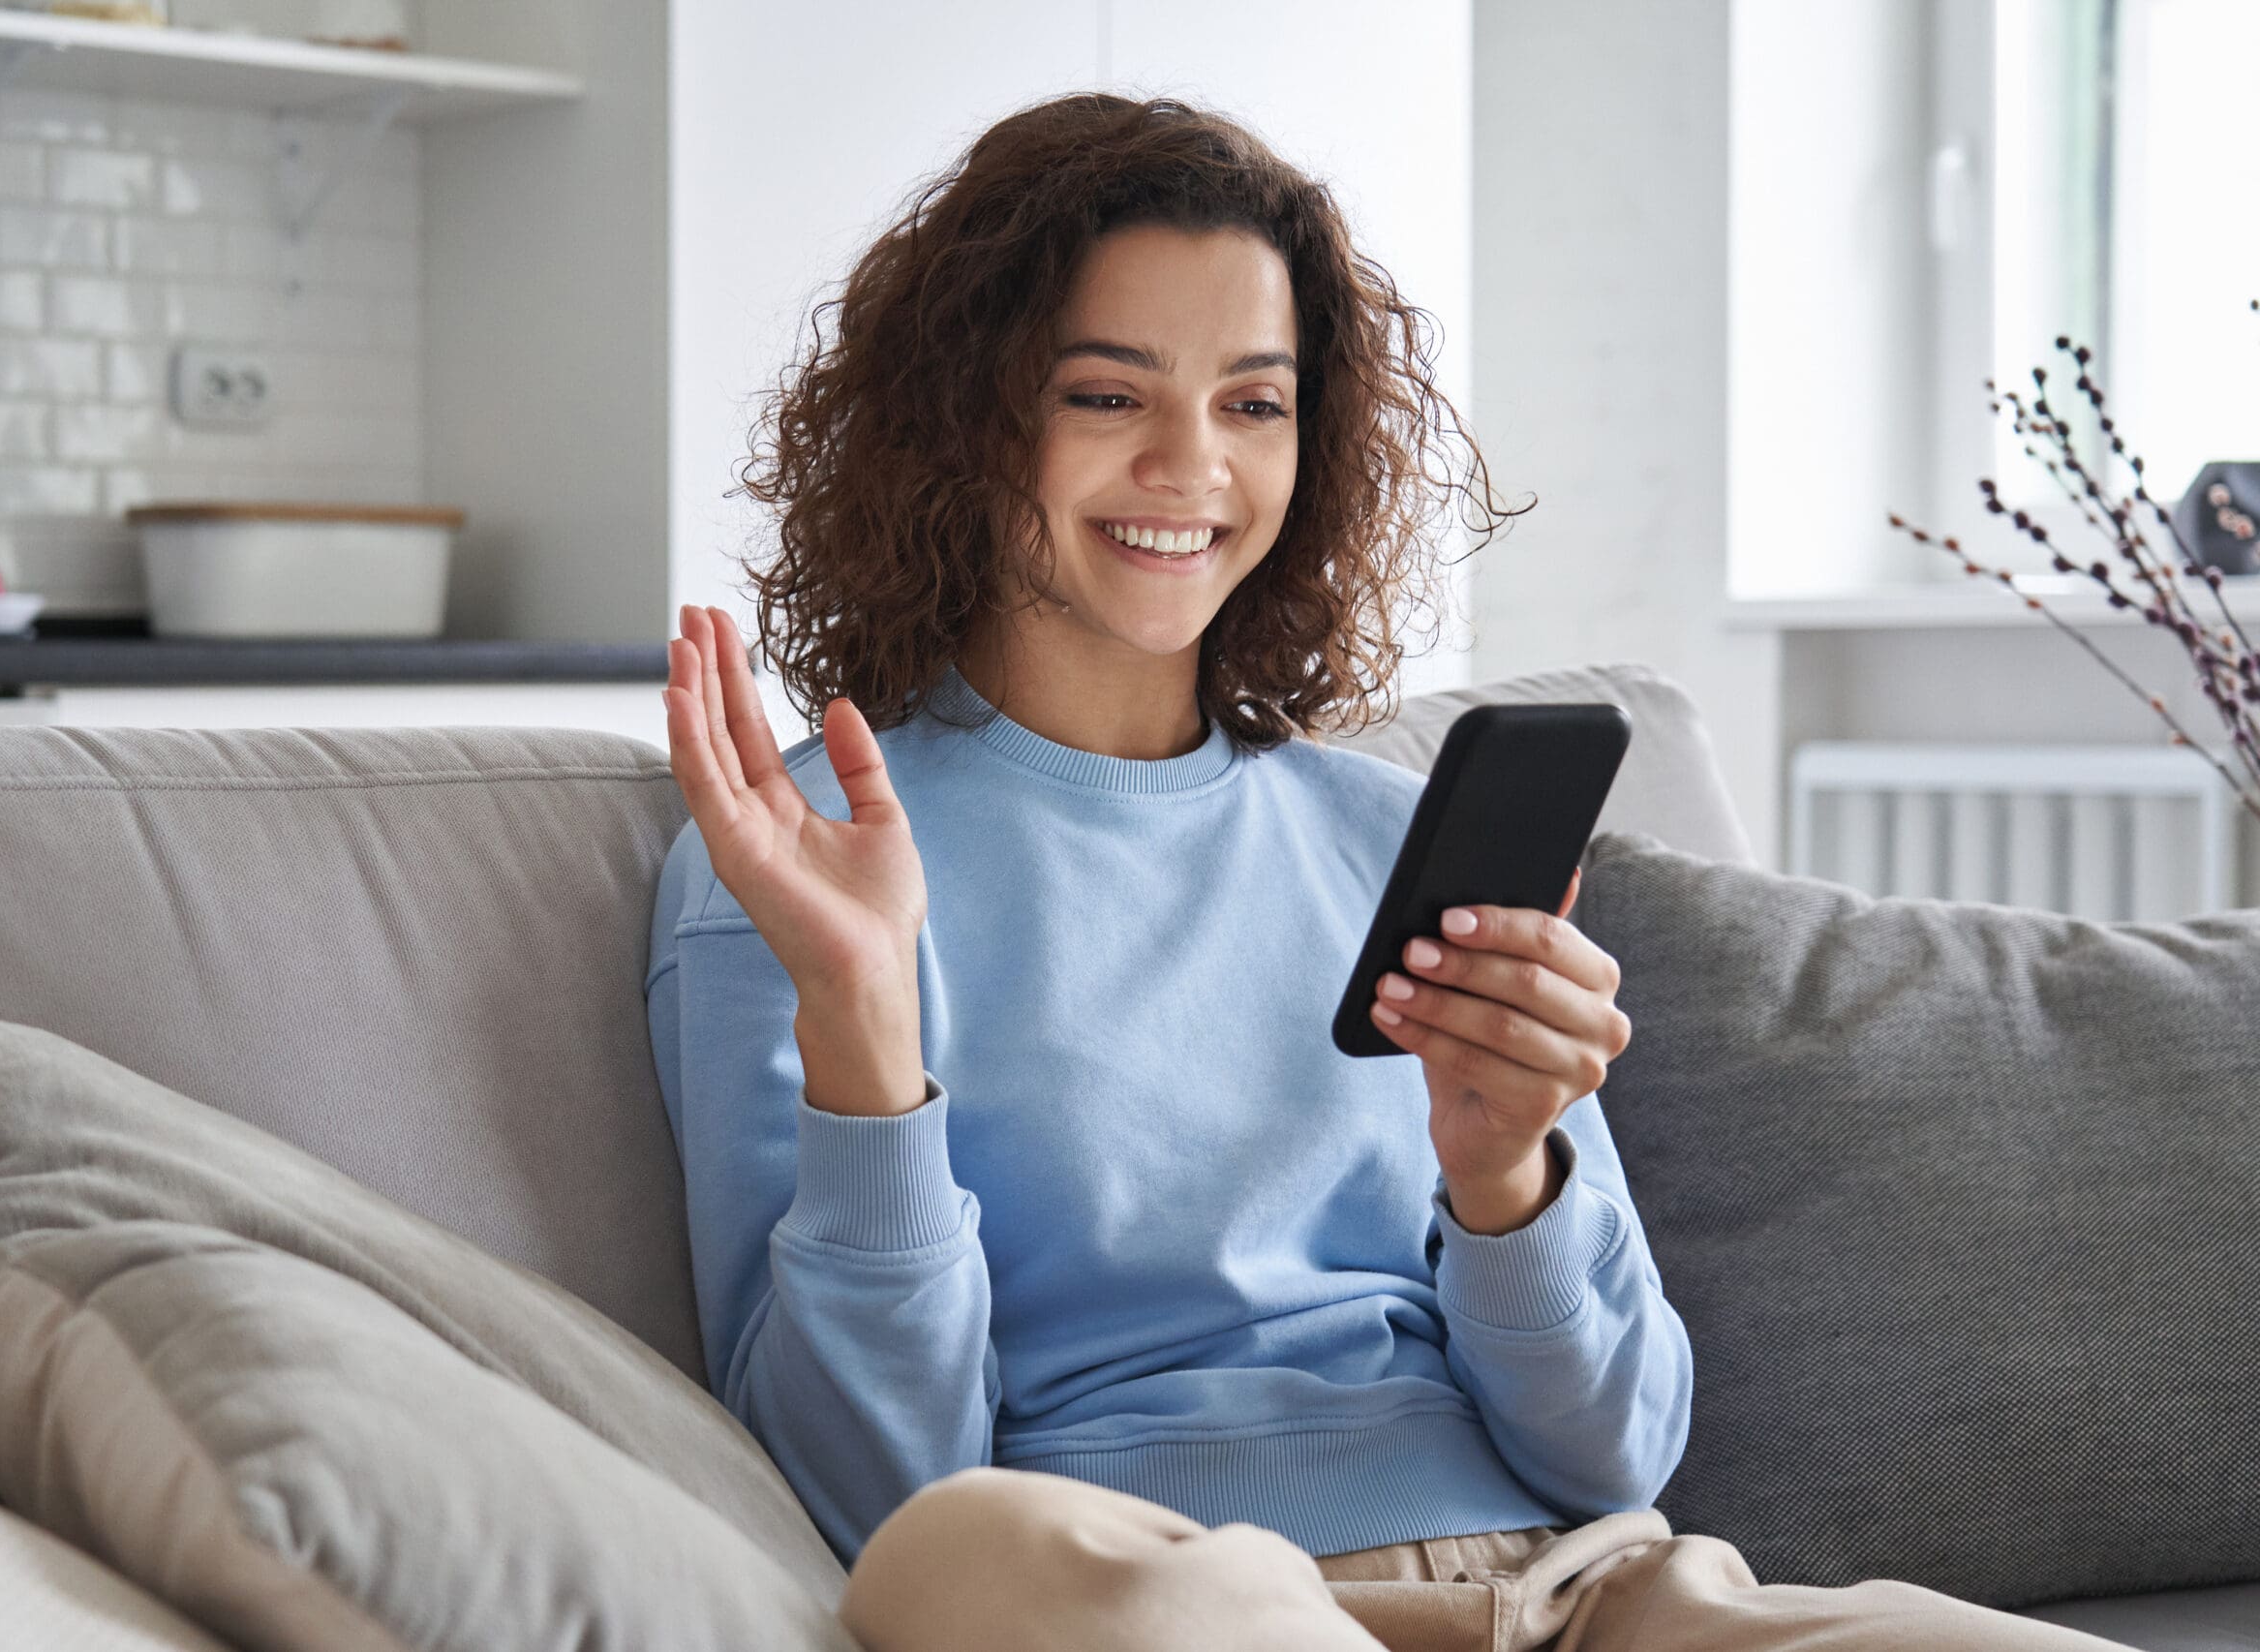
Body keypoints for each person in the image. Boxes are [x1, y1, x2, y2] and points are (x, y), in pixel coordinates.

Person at [647, 92, 2132, 1652]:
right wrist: (866, 1030)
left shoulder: (1386, 832)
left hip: (1573, 1589)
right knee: (970, 1547)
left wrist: (1507, 1181)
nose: (1188, 465)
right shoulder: (797, 864)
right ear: (964, 418)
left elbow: (1621, 1449)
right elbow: (874, 1495)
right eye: (1105, 394)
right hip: (1169, 1592)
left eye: (1254, 404)